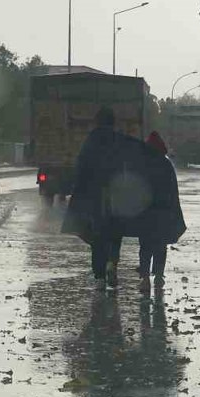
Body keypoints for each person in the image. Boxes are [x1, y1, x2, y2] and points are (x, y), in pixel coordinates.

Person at [62, 106, 133, 290]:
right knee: (116, 233)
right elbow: (128, 167)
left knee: (97, 237)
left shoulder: (90, 140)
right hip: (116, 195)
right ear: (113, 122)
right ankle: (112, 264)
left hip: (93, 197)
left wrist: (77, 193)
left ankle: (100, 277)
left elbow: (81, 168)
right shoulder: (119, 140)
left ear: (97, 121)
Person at [127, 130, 186, 294]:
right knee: (160, 246)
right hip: (163, 213)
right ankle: (159, 277)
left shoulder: (141, 165)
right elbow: (173, 192)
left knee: (145, 246)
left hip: (145, 213)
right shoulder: (166, 165)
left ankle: (145, 279)